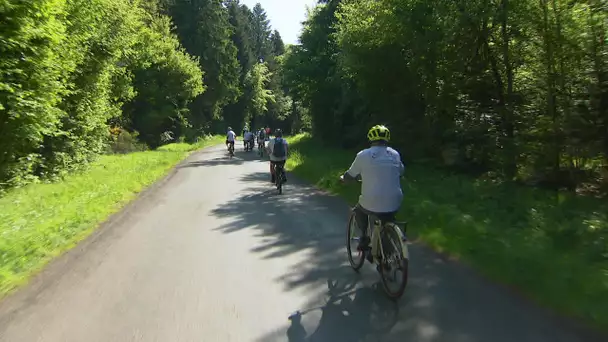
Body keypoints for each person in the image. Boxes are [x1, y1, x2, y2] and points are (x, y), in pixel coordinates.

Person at [339, 125, 404, 261]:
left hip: (371, 200)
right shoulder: (395, 154)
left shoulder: (363, 155)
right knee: (387, 217)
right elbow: (401, 171)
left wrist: (343, 180)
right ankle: (389, 248)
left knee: (358, 210)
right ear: (387, 139)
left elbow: (350, 175)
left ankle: (364, 237)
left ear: (371, 139)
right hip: (395, 199)